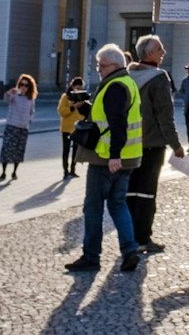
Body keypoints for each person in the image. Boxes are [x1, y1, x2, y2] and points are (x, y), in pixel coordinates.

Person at [65, 44, 143, 274]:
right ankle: (130, 251)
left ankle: (91, 256)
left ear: (116, 65)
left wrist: (114, 155)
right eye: (98, 65)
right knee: (118, 204)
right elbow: (108, 118)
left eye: (102, 65)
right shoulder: (126, 82)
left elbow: (118, 124)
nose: (98, 69)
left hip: (107, 159)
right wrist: (85, 107)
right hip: (127, 157)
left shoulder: (115, 86)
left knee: (93, 207)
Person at [126, 35, 186, 253]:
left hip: (128, 144)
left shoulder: (128, 76)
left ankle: (129, 237)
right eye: (160, 49)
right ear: (149, 54)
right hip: (151, 144)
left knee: (130, 191)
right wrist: (176, 145)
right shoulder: (159, 78)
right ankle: (143, 238)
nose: (164, 52)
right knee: (146, 193)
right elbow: (164, 116)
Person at [0, 74, 37, 182]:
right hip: (11, 126)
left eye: (26, 85)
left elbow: (32, 112)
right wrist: (8, 93)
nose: (23, 87)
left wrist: (28, 121)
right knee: (6, 150)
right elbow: (6, 100)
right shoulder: (15, 95)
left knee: (19, 151)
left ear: (30, 87)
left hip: (23, 129)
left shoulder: (31, 99)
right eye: (21, 84)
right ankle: (3, 172)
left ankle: (14, 172)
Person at [58, 77, 87, 179]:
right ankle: (65, 171)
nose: (78, 90)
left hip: (78, 128)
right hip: (66, 128)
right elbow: (61, 111)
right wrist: (73, 106)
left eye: (80, 88)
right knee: (66, 150)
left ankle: (73, 170)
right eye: (77, 87)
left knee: (76, 150)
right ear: (72, 86)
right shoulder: (66, 97)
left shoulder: (83, 97)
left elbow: (85, 113)